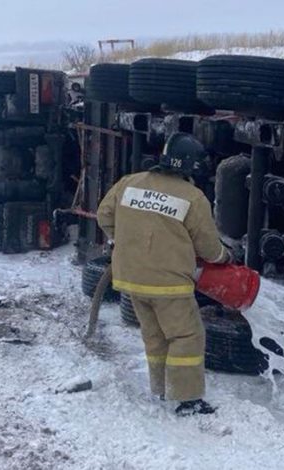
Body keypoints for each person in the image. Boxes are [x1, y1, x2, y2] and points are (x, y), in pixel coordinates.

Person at [96, 132, 230, 416]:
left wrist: (123, 241)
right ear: (192, 166)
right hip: (168, 284)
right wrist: (225, 256)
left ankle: (160, 388)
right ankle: (187, 399)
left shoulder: (129, 183)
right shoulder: (193, 197)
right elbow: (207, 247)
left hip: (130, 278)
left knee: (154, 336)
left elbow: (104, 215)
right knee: (186, 336)